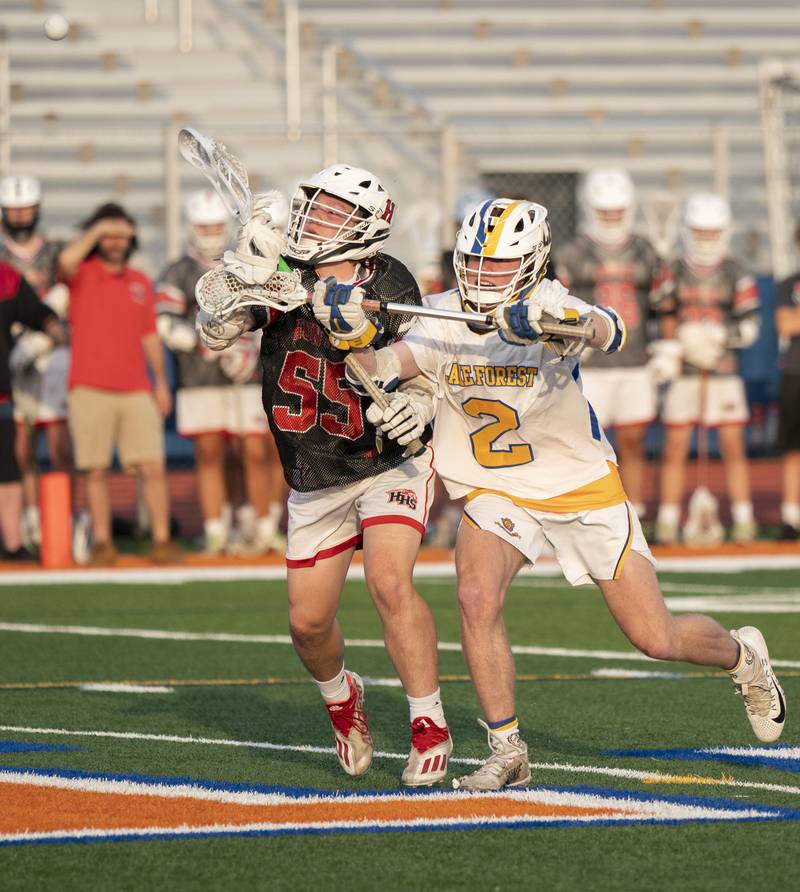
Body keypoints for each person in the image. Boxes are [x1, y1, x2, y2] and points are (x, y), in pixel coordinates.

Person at [315, 197, 786, 790]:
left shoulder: (548, 302)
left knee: (655, 637)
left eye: (497, 267)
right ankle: (507, 747)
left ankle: (743, 657)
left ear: (533, 262)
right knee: (475, 595)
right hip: (496, 488)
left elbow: (608, 327)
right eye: (474, 264)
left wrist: (553, 325)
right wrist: (349, 330)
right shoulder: (439, 314)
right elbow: (386, 366)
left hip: (578, 487)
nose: (482, 277)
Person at [197, 165, 452, 785]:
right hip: (313, 472)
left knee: (390, 583)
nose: (312, 221)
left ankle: (428, 723)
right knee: (308, 624)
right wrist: (242, 271)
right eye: (313, 207)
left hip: (385, 460)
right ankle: (343, 700)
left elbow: (408, 356)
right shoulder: (282, 265)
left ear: (364, 230)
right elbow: (212, 328)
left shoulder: (388, 279)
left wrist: (417, 402)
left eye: (332, 213)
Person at [156, 189, 285, 554]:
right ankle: (217, 529)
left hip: (249, 375)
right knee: (210, 453)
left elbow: (271, 314)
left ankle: (263, 528)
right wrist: (206, 344)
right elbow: (165, 323)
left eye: (216, 226)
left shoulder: (246, 267)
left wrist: (247, 349)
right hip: (200, 377)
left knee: (256, 450)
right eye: (204, 226)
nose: (211, 232)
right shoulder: (178, 270)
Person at [58, 202, 180, 566]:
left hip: (135, 387)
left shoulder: (140, 281)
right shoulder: (81, 272)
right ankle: (102, 544)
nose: (115, 241)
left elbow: (150, 337)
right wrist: (100, 227)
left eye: (121, 234)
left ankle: (161, 541)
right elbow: (64, 262)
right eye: (107, 235)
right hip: (89, 387)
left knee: (153, 466)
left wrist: (160, 383)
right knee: (95, 469)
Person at [555, 169, 665, 523]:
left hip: (634, 359)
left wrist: (666, 347)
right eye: (605, 211)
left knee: (633, 442)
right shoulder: (573, 251)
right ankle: (589, 512)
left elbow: (664, 303)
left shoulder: (645, 250)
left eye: (616, 210)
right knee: (585, 443)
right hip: (592, 362)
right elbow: (558, 302)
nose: (611, 218)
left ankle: (636, 513)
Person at [654, 194, 761, 545]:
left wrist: (719, 336)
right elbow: (662, 311)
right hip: (684, 369)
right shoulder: (673, 269)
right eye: (699, 232)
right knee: (675, 444)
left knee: (733, 444)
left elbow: (751, 324)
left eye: (711, 232)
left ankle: (744, 519)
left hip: (722, 368)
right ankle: (668, 519)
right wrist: (672, 346)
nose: (705, 239)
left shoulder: (736, 271)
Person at [0, 175, 71, 552]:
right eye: (14, 210)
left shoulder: (55, 253)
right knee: (20, 446)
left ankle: (66, 520)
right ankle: (27, 522)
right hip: (10, 358)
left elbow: (62, 297)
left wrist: (42, 339)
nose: (20, 216)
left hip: (51, 351)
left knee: (59, 443)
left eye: (26, 208)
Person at [776, 221, 800, 540]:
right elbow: (786, 324)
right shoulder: (789, 284)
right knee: (794, 447)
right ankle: (790, 515)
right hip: (796, 371)